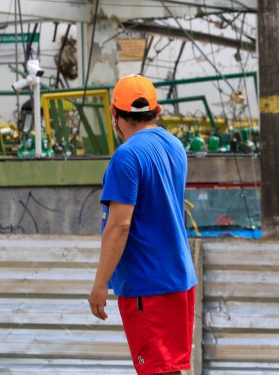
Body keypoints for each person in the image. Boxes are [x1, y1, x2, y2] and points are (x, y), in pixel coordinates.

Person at [88, 74, 197, 375]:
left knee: (158, 371)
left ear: (114, 113)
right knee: (169, 369)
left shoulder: (126, 156)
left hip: (147, 287)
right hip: (179, 279)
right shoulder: (174, 146)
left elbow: (119, 226)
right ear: (157, 110)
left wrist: (100, 285)